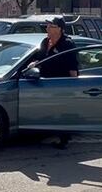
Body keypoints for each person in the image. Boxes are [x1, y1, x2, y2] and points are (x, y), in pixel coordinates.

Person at [30, 16, 79, 149]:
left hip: (61, 83)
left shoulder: (67, 44)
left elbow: (73, 67)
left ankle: (64, 139)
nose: (48, 29)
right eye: (47, 26)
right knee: (49, 110)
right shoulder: (45, 42)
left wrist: (74, 86)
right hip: (45, 82)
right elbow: (39, 59)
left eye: (52, 26)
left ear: (60, 29)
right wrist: (34, 64)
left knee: (61, 111)